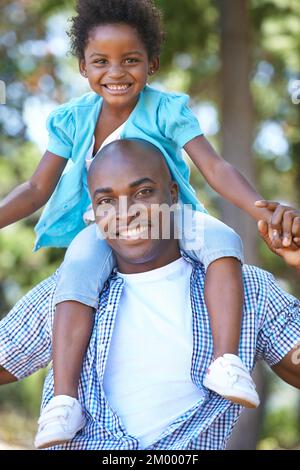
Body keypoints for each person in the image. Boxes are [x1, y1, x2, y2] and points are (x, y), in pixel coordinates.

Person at [0, 0, 299, 448]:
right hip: (91, 233)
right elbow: (35, 189)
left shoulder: (167, 111)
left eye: (130, 60)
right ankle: (64, 400)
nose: (116, 72)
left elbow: (214, 169)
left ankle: (226, 359)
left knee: (224, 239)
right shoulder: (74, 120)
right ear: (83, 67)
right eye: (101, 61)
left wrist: (265, 211)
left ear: (152, 64)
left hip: (180, 221)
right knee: (76, 271)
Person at [0, 139, 299, 450]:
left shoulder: (246, 289)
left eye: (142, 193)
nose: (125, 213)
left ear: (171, 194)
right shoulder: (67, 297)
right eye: (106, 201)